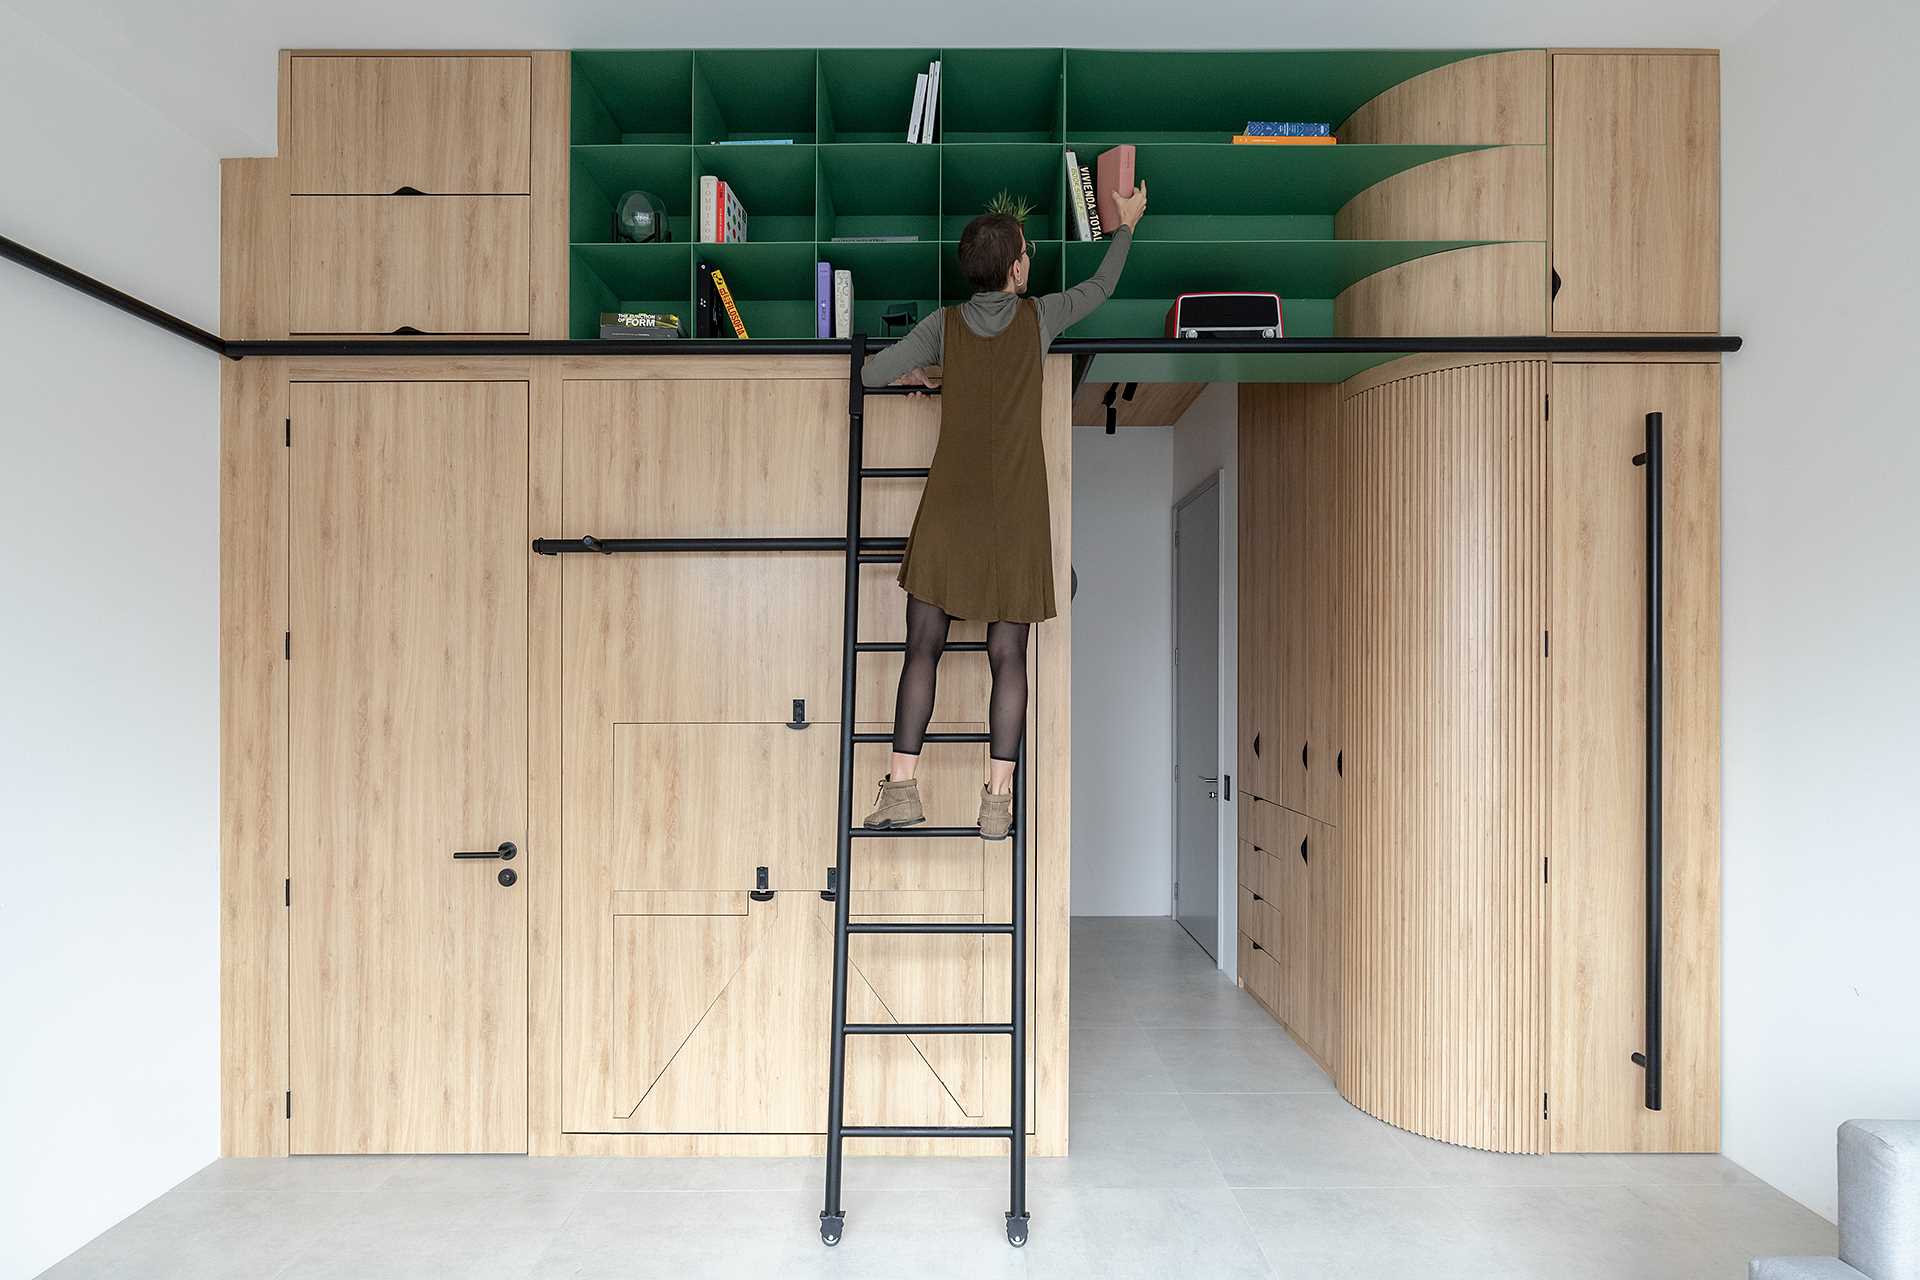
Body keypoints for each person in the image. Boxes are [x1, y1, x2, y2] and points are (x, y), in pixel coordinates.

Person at [858, 181, 1149, 838]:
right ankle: (996, 801)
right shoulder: (1039, 318)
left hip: (950, 511)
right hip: (1016, 513)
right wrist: (1124, 225)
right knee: (1007, 655)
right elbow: (1102, 287)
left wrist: (928, 375)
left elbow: (872, 374)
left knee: (922, 648)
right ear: (1016, 268)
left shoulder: (943, 326)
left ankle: (901, 788)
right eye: (1026, 252)